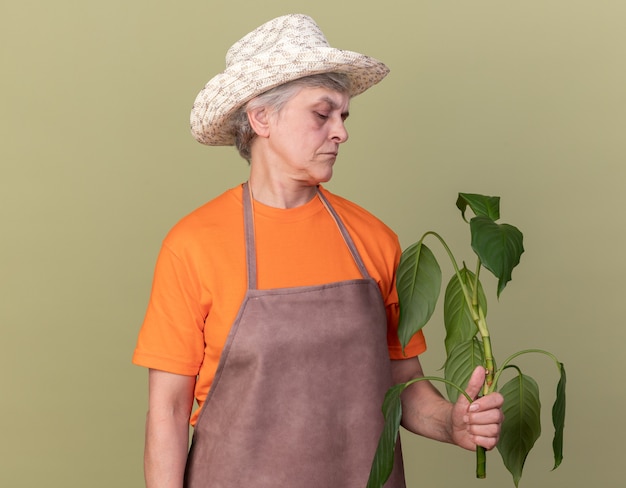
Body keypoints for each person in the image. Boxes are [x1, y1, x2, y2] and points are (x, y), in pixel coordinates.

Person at [132, 13, 504, 488]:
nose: (340, 132)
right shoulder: (194, 245)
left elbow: (401, 384)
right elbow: (166, 409)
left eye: (343, 116)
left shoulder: (374, 240)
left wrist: (452, 424)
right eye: (321, 113)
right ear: (261, 117)